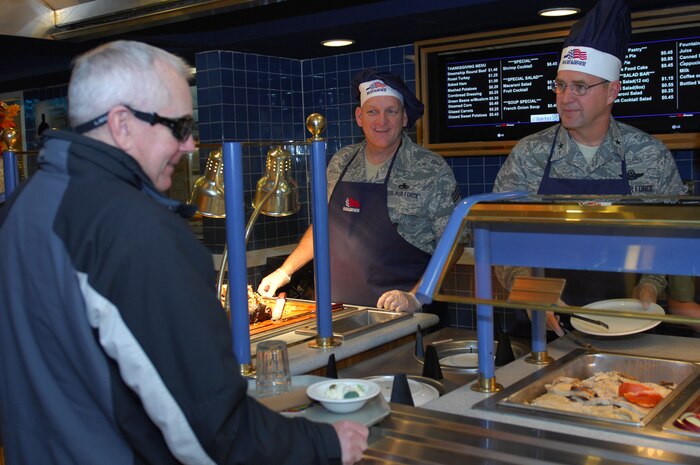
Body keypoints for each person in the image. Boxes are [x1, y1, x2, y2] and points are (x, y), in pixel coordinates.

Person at [0, 40, 367, 465]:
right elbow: (208, 427)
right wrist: (323, 444)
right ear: (121, 124)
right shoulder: (134, 230)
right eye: (178, 127)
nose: (191, 146)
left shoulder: (19, 208)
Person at [492, 0, 686, 336]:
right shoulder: (529, 154)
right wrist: (529, 291)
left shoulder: (650, 155)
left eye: (580, 87)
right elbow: (498, 236)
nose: (566, 97)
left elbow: (671, 237)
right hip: (545, 322)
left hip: (630, 319)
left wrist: (651, 286)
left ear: (613, 91)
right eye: (561, 85)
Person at [258, 69, 461, 319]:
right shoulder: (341, 161)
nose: (382, 122)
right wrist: (284, 272)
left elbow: (454, 243)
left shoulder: (431, 169)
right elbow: (323, 226)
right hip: (338, 312)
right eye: (372, 111)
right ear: (359, 117)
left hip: (405, 316)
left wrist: (416, 297)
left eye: (391, 111)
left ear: (405, 117)